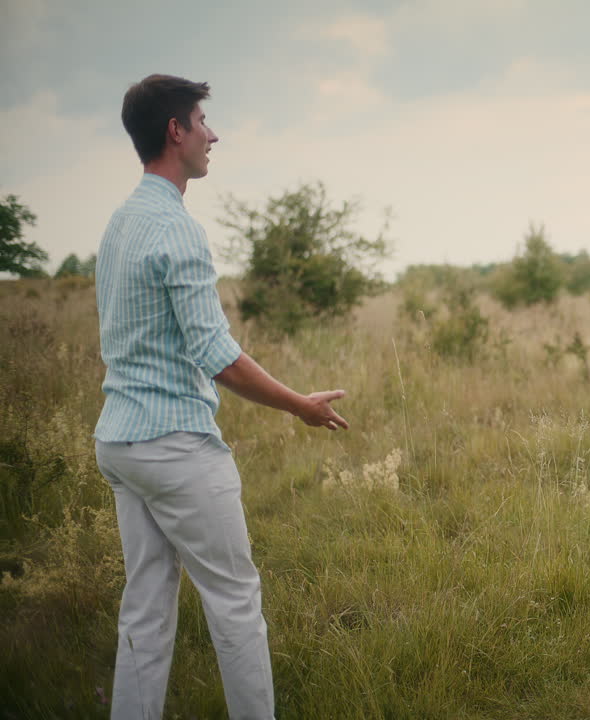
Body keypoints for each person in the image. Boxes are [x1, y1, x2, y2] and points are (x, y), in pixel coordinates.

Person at [94, 74, 349, 720]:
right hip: (175, 447)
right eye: (202, 121)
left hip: (121, 442)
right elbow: (219, 357)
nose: (213, 135)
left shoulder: (120, 224)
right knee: (235, 603)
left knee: (145, 611)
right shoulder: (177, 229)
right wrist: (301, 406)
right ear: (174, 131)